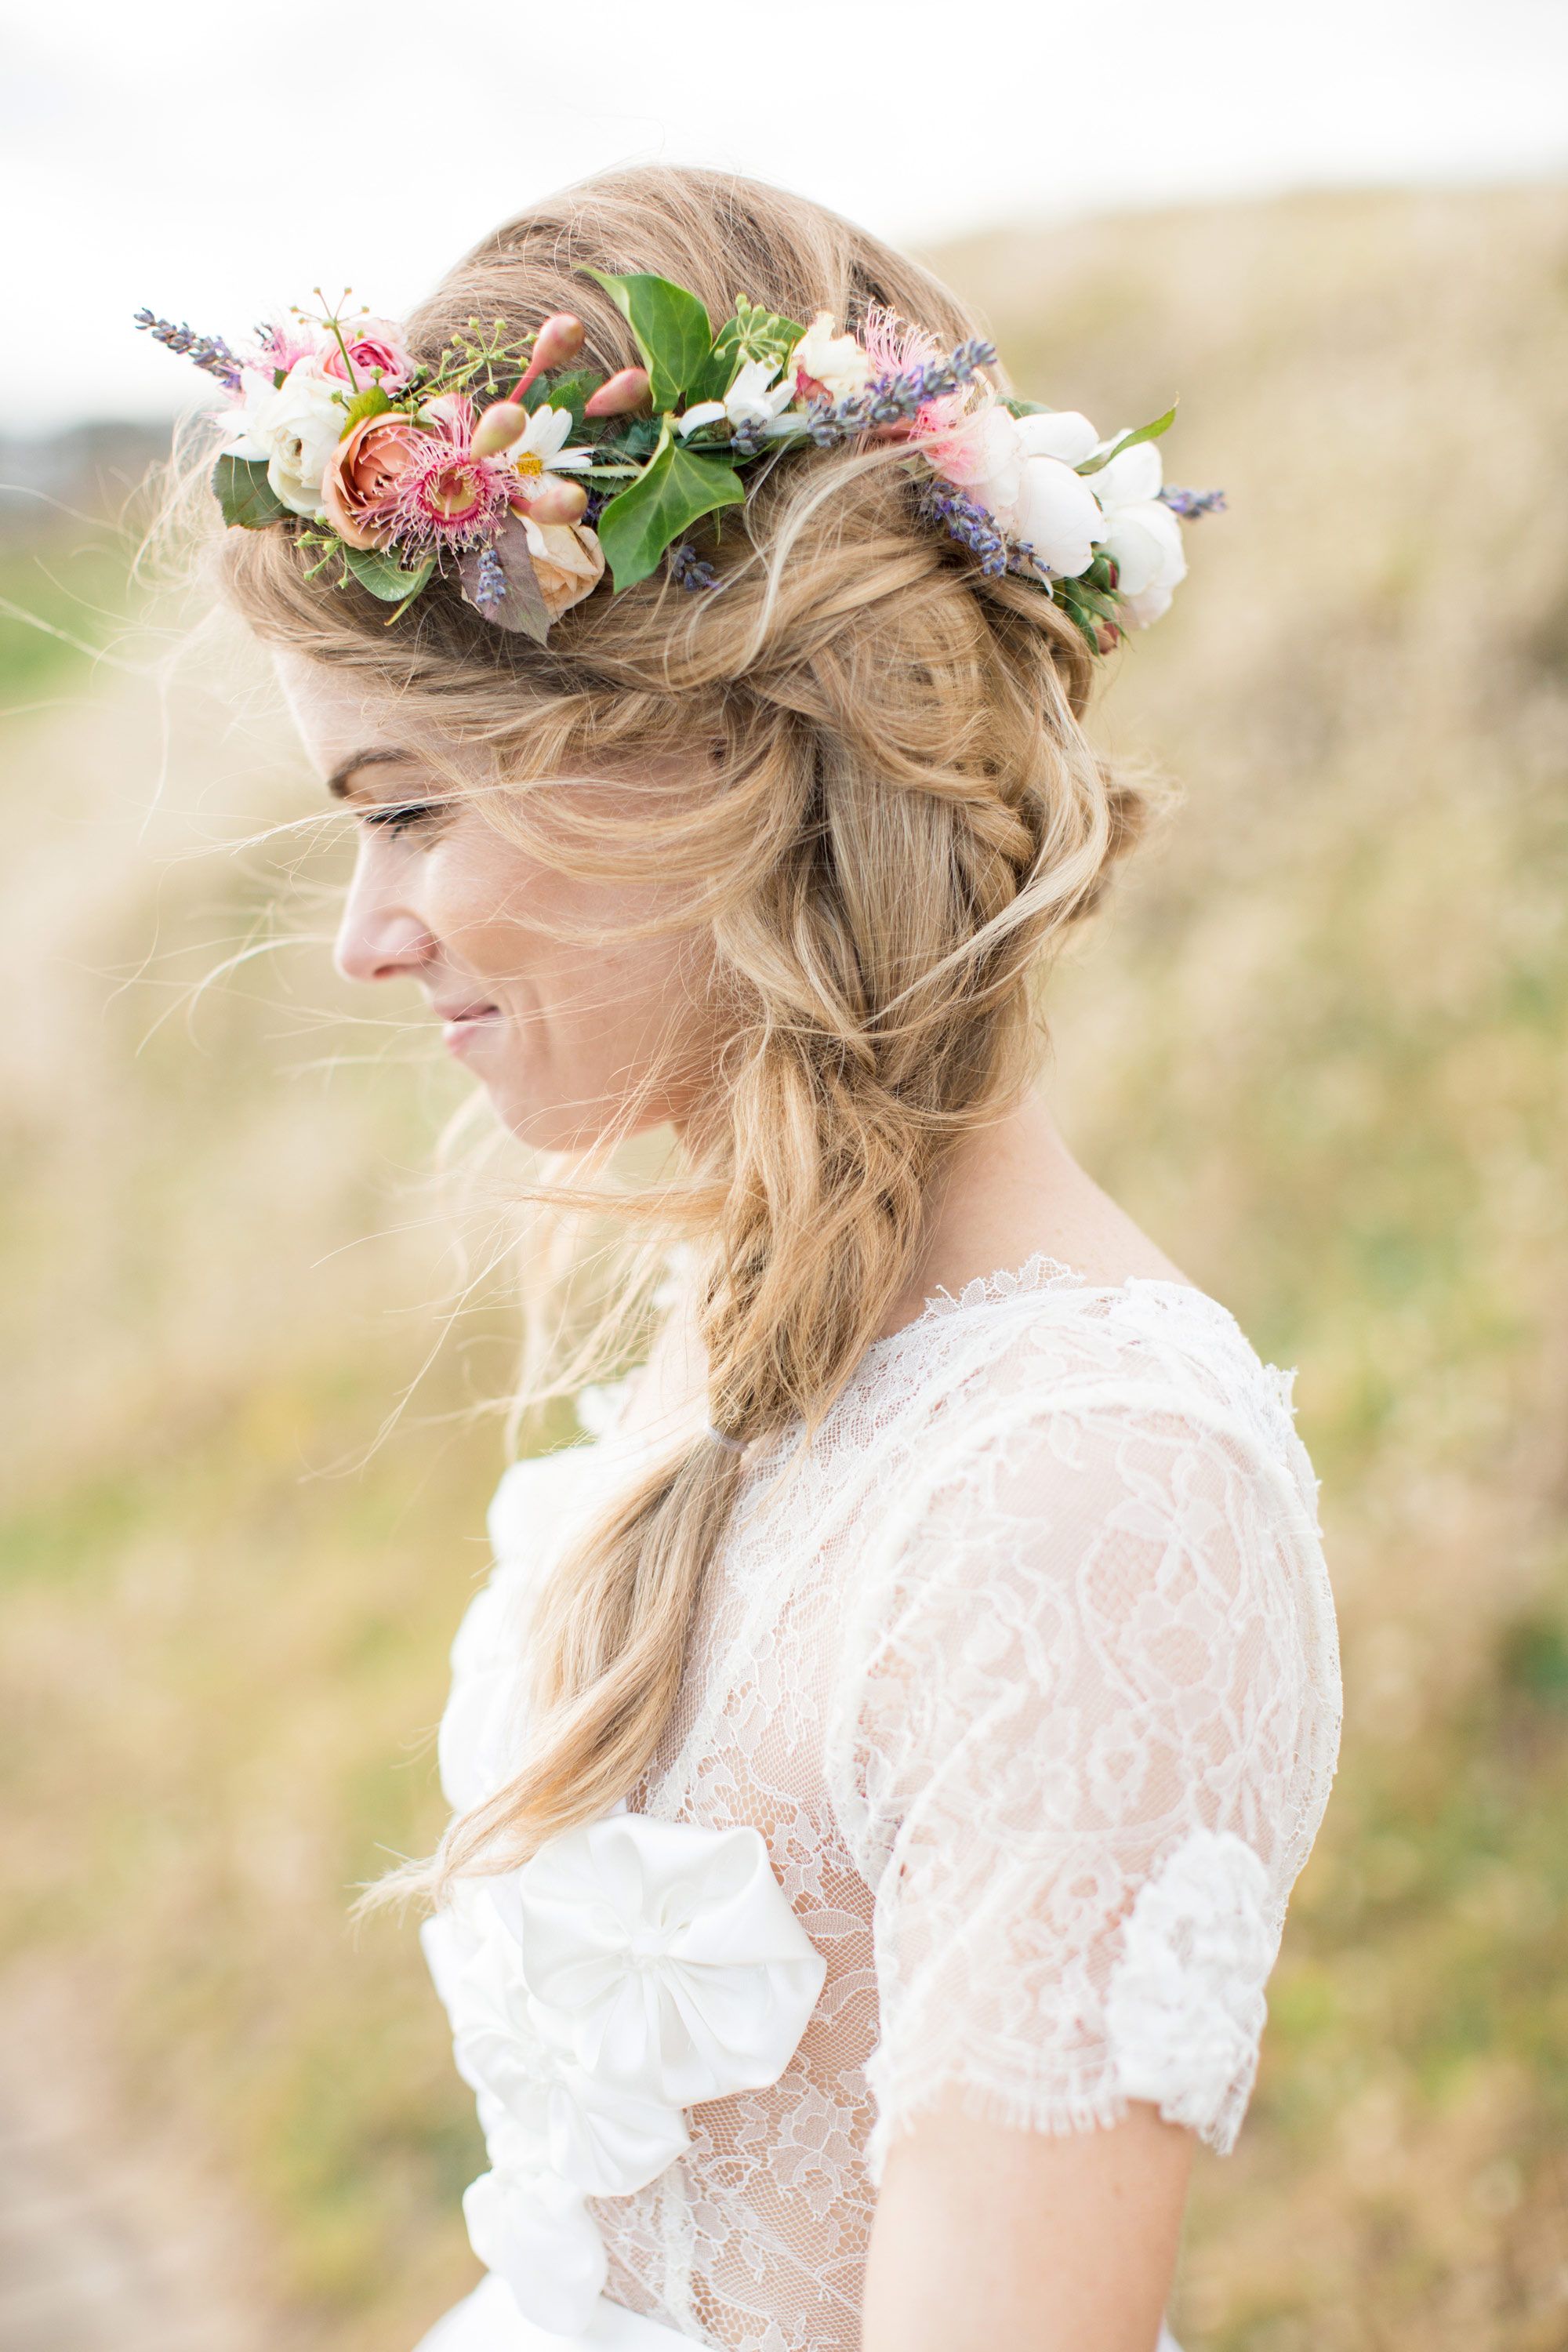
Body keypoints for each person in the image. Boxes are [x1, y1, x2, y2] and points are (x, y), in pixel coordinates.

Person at [182, 164, 1341, 2352]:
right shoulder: (772, 1353)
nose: (365, 935)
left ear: (711, 755)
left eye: (408, 804)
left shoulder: (1080, 1497)